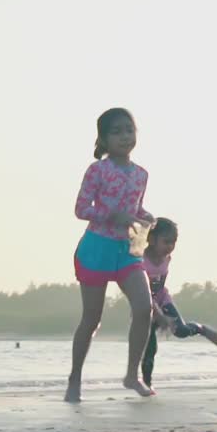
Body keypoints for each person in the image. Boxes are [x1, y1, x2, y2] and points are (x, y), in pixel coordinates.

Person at [67, 108, 156, 403]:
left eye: (129, 130)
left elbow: (134, 211)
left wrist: (145, 218)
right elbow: (81, 209)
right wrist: (112, 215)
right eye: (116, 132)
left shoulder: (141, 174)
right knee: (92, 319)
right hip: (96, 249)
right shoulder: (97, 171)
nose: (124, 137)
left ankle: (132, 375)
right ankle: (75, 378)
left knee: (144, 309)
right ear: (103, 139)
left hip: (129, 250)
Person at [139, 218, 217, 388]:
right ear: (151, 239)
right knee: (149, 348)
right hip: (143, 305)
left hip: (163, 300)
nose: (170, 246)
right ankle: (147, 384)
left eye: (173, 242)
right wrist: (158, 316)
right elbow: (145, 293)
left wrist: (163, 313)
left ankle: (201, 329)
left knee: (181, 331)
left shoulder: (166, 258)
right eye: (166, 242)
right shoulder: (140, 260)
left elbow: (158, 289)